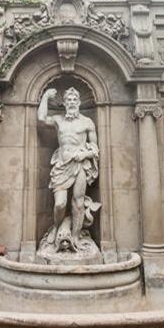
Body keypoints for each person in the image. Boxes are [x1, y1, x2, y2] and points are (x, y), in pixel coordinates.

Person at [37, 86, 99, 249]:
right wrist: (45, 98)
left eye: (74, 100)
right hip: (61, 165)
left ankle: (76, 237)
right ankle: (57, 228)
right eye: (69, 100)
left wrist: (84, 155)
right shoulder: (58, 120)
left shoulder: (87, 122)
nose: (71, 102)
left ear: (79, 102)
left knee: (78, 202)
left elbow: (95, 148)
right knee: (60, 204)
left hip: (79, 164)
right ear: (64, 103)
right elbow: (42, 118)